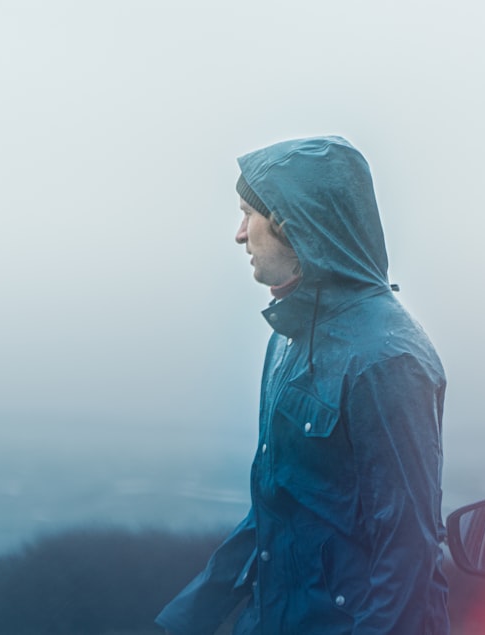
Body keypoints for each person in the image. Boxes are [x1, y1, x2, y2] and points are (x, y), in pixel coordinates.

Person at [155, 136, 449, 635]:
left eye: (249, 214)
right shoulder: (288, 340)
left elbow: (408, 549)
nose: (239, 234)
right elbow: (273, 510)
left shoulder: (386, 359)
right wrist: (184, 620)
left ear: (293, 226)